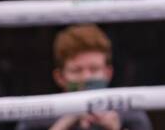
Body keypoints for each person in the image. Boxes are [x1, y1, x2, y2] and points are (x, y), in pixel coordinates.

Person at [14, 24, 152, 130]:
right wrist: (65, 122)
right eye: (77, 70)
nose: (86, 77)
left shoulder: (130, 114)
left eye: (94, 69)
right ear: (60, 77)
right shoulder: (38, 115)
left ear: (108, 73)